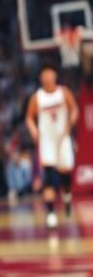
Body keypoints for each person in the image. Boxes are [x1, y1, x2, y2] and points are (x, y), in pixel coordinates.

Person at [25, 63, 79, 229]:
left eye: (50, 73)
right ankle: (50, 213)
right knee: (49, 176)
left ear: (55, 75)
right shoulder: (37, 97)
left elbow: (74, 109)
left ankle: (67, 198)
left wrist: (70, 125)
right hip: (46, 140)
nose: (47, 77)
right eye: (44, 74)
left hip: (62, 138)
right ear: (41, 78)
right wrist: (33, 130)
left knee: (65, 174)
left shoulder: (64, 92)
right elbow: (29, 117)